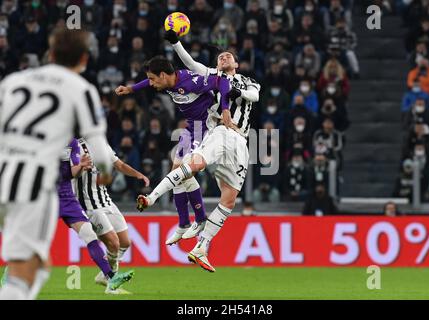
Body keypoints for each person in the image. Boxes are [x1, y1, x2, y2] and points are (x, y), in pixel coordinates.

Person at [0, 28, 117, 300]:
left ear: (50, 54)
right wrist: (106, 175)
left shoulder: (13, 82)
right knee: (25, 270)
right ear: (85, 59)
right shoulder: (80, 89)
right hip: (33, 185)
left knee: (37, 266)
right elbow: (99, 150)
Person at [136, 56, 260, 273]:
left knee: (229, 201)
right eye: (220, 57)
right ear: (217, 65)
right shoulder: (209, 75)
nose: (223, 56)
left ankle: (201, 247)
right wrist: (175, 43)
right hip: (220, 131)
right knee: (189, 168)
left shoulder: (248, 81)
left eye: (228, 55)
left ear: (237, 64)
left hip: (241, 141)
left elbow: (255, 96)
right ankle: (152, 198)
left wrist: (236, 93)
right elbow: (191, 64)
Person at [74, 137, 149, 288]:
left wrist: (137, 174)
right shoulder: (74, 146)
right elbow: (70, 173)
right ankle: (112, 281)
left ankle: (105, 275)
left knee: (125, 242)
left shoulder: (102, 143)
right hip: (90, 205)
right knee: (113, 243)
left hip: (106, 201)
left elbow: (119, 164)